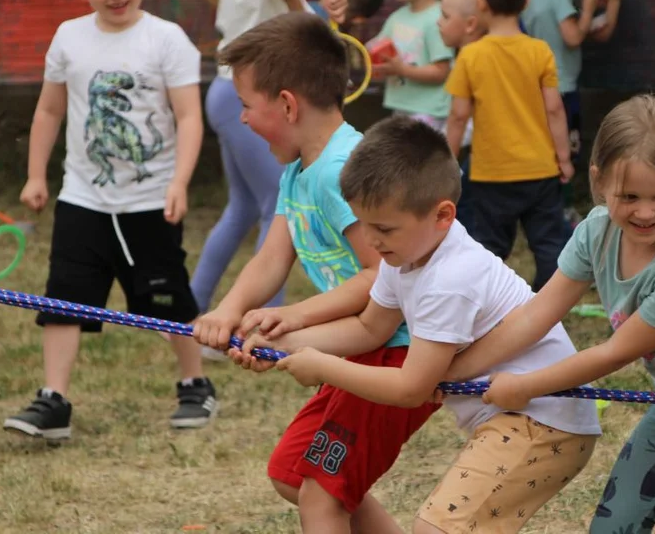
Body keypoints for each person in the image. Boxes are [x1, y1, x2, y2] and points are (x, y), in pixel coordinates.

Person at [443, 94, 655, 533]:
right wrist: (457, 372)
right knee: (611, 526)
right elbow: (536, 315)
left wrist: (524, 387)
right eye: (628, 196)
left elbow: (611, 354)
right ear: (599, 181)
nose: (645, 212)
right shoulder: (596, 230)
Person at [242, 116, 601, 534]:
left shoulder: (450, 279)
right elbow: (369, 329)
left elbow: (411, 389)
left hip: (545, 419)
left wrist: (321, 366)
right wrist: (282, 343)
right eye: (365, 224)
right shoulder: (407, 254)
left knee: (439, 528)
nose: (371, 241)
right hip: (514, 416)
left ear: (442, 215)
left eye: (383, 228)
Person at [192, 12, 437, 534]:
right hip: (361, 345)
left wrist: (292, 319)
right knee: (292, 473)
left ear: (286, 104)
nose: (240, 120)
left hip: (397, 350)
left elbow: (380, 276)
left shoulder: (342, 172)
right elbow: (272, 257)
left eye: (245, 106)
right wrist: (228, 310)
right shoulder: (299, 170)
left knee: (321, 494)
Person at [5, 0, 210, 438]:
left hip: (150, 199)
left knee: (166, 299)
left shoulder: (167, 39)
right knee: (62, 299)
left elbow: (188, 116)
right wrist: (35, 175)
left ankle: (195, 384)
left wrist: (180, 181)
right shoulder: (68, 38)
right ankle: (54, 401)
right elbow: (49, 110)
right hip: (83, 199)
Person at [192, 0, 347, 339]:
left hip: (226, 95)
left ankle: (189, 306)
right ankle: (258, 328)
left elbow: (313, 32)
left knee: (241, 208)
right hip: (247, 100)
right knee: (273, 211)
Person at [444, 0, 572, 290]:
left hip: (491, 174)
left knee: (489, 248)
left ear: (481, 3)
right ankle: (546, 304)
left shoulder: (471, 56)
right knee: (548, 245)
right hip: (539, 170)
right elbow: (555, 109)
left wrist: (446, 163)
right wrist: (564, 158)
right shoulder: (539, 50)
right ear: (526, 2)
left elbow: (458, 116)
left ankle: (492, 304)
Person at [520, 0, 622, 225]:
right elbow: (574, 37)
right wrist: (588, 10)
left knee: (543, 148)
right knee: (566, 149)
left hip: (536, 86)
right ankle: (560, 211)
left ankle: (541, 210)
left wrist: (608, 7)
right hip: (561, 87)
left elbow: (593, 33)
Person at [372, 0, 455, 131]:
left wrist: (402, 70)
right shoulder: (396, 17)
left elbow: (441, 72)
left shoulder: (438, 18)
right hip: (400, 108)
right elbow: (377, 49)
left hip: (428, 111)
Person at [436, 0, 486, 232]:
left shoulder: (470, 59)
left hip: (484, 153)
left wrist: (447, 155)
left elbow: (463, 118)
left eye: (445, 16)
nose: (438, 22)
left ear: (470, 25)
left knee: (465, 205)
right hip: (479, 152)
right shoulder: (469, 55)